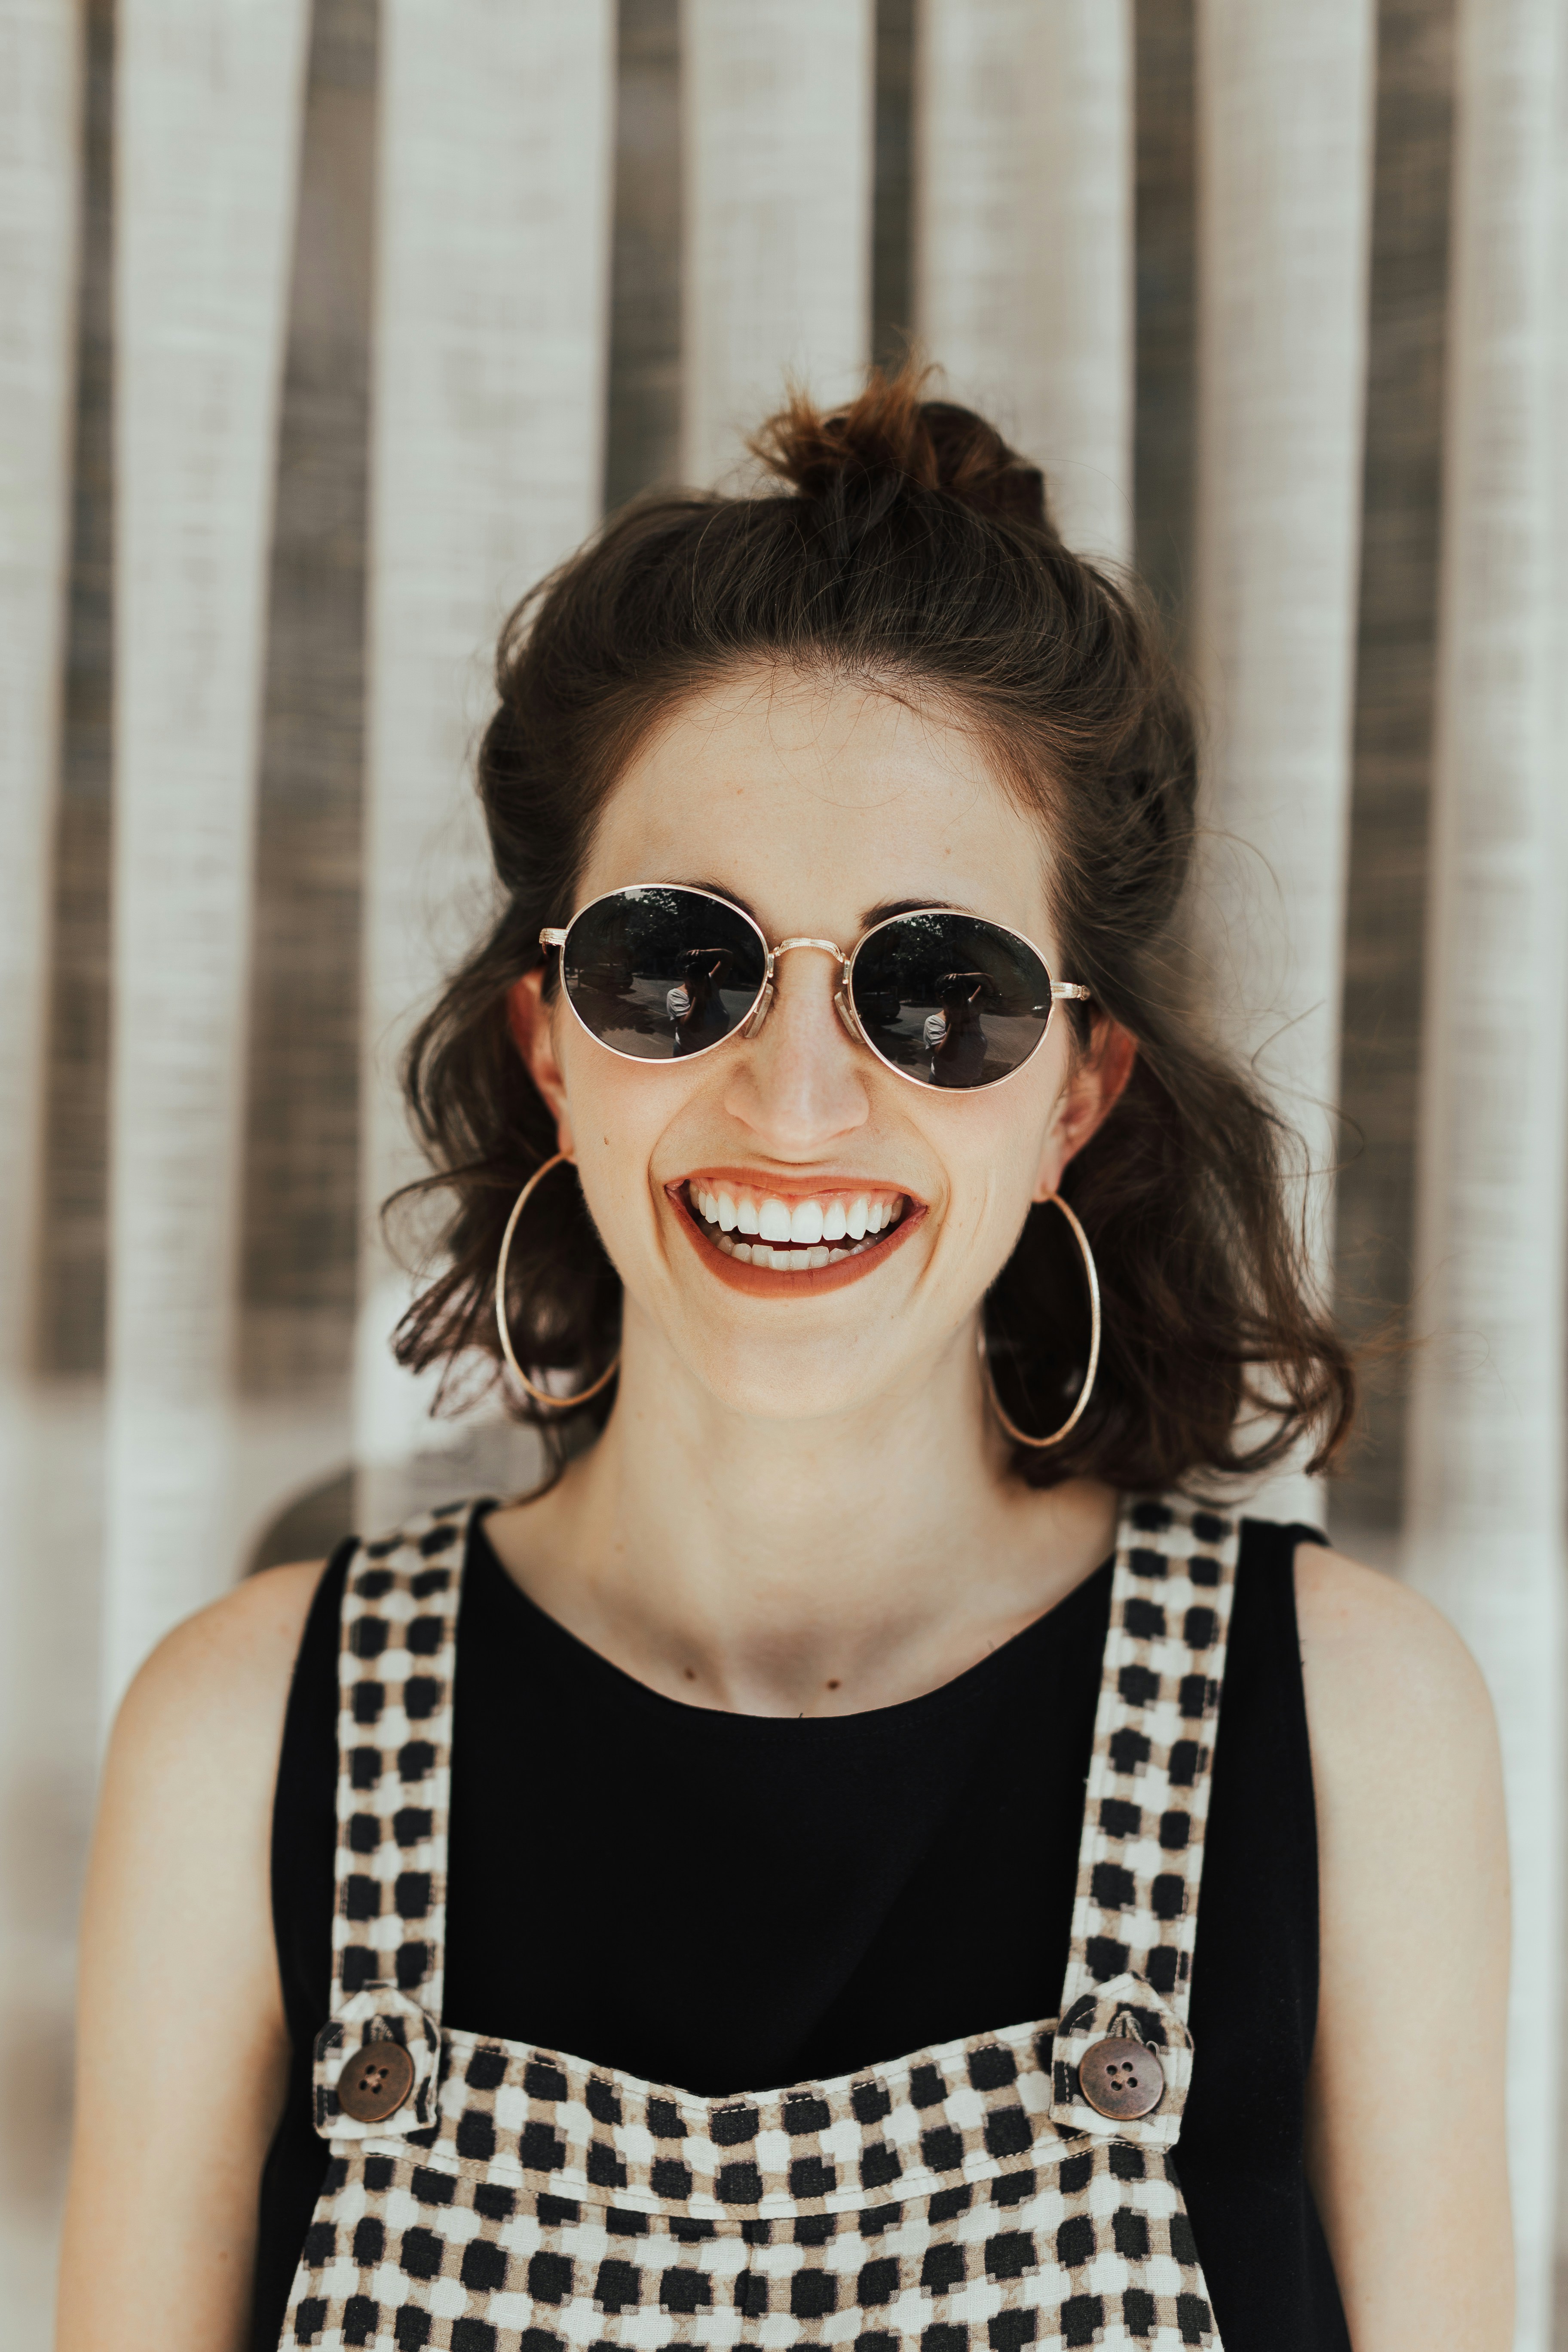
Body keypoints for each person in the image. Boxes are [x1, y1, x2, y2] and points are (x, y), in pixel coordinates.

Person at [58, 374, 1510, 2352]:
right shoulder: (240, 1737)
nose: (800, 1102)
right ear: (554, 1042)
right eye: (684, 964)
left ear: (1076, 1096)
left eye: (940, 990)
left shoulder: (1350, 1727)